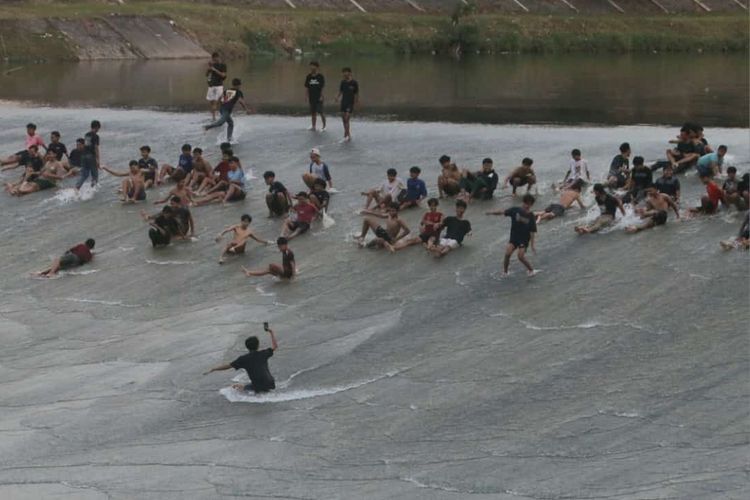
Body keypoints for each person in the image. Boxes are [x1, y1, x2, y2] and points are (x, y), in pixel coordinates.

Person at [203, 325, 278, 394]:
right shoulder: (263, 353)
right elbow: (275, 346)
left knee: (235, 386)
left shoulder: (243, 359)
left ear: (247, 347)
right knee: (253, 383)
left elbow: (228, 366)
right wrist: (271, 332)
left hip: (258, 386)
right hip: (270, 383)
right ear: (258, 345)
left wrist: (214, 369)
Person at [487, 194, 538, 276]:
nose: (527, 206)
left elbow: (532, 231)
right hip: (514, 237)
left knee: (520, 256)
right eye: (526, 203)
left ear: (531, 205)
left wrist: (532, 245)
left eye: (529, 204)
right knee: (507, 253)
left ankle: (531, 270)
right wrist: (491, 212)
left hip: (524, 239)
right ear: (523, 203)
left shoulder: (531, 216)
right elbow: (503, 212)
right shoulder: (515, 210)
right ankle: (505, 272)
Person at [204, 78, 252, 143]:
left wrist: (216, 105)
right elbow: (241, 101)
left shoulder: (227, 90)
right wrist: (246, 109)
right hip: (226, 110)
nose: (240, 86)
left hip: (222, 109)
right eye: (240, 85)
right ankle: (208, 127)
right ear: (238, 85)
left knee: (231, 123)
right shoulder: (238, 92)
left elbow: (220, 98)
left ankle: (229, 139)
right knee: (221, 123)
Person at [75, 120, 101, 190]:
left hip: (84, 156)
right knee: (95, 176)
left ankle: (77, 188)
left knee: (84, 175)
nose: (98, 130)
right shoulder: (96, 136)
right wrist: (98, 160)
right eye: (98, 128)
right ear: (97, 127)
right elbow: (96, 148)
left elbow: (86, 146)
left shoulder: (86, 135)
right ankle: (93, 191)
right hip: (91, 157)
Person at [336, 67, 359, 142]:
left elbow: (356, 94)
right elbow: (340, 91)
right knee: (343, 119)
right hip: (343, 102)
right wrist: (337, 97)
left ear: (350, 73)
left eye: (346, 72)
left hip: (350, 103)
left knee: (347, 118)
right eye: (343, 72)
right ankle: (347, 133)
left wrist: (356, 103)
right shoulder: (343, 82)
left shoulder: (354, 83)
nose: (345, 74)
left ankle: (346, 135)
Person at [206, 52, 227, 121]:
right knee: (212, 102)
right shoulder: (212, 65)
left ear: (218, 57)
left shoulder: (223, 65)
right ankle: (214, 117)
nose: (214, 61)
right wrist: (209, 69)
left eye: (215, 59)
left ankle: (215, 118)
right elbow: (207, 75)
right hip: (211, 86)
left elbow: (223, 75)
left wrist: (215, 70)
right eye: (213, 59)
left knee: (216, 102)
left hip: (218, 86)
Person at [305, 61, 326, 131]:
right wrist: (307, 96)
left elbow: (322, 87)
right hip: (312, 96)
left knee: (321, 112)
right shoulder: (308, 76)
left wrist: (321, 96)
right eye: (310, 66)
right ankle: (313, 126)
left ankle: (324, 126)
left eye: (313, 66)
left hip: (319, 96)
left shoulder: (320, 76)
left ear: (317, 67)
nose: (311, 67)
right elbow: (307, 87)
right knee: (313, 112)